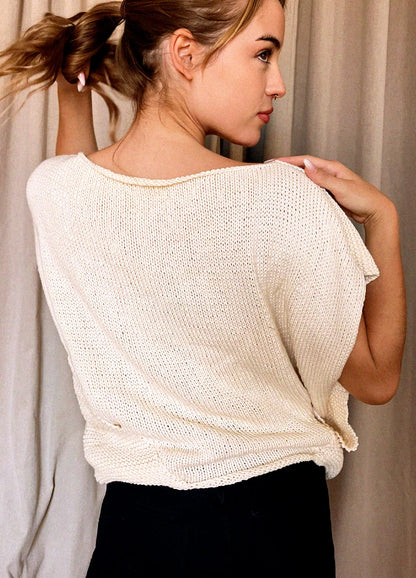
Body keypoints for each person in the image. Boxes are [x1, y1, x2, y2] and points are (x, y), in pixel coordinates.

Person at [0, 0, 406, 576]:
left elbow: (85, 180)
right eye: (262, 54)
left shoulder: (56, 192)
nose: (278, 84)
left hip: (134, 533)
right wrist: (384, 218)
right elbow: (378, 379)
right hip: (271, 530)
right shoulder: (282, 202)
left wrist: (73, 94)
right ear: (185, 54)